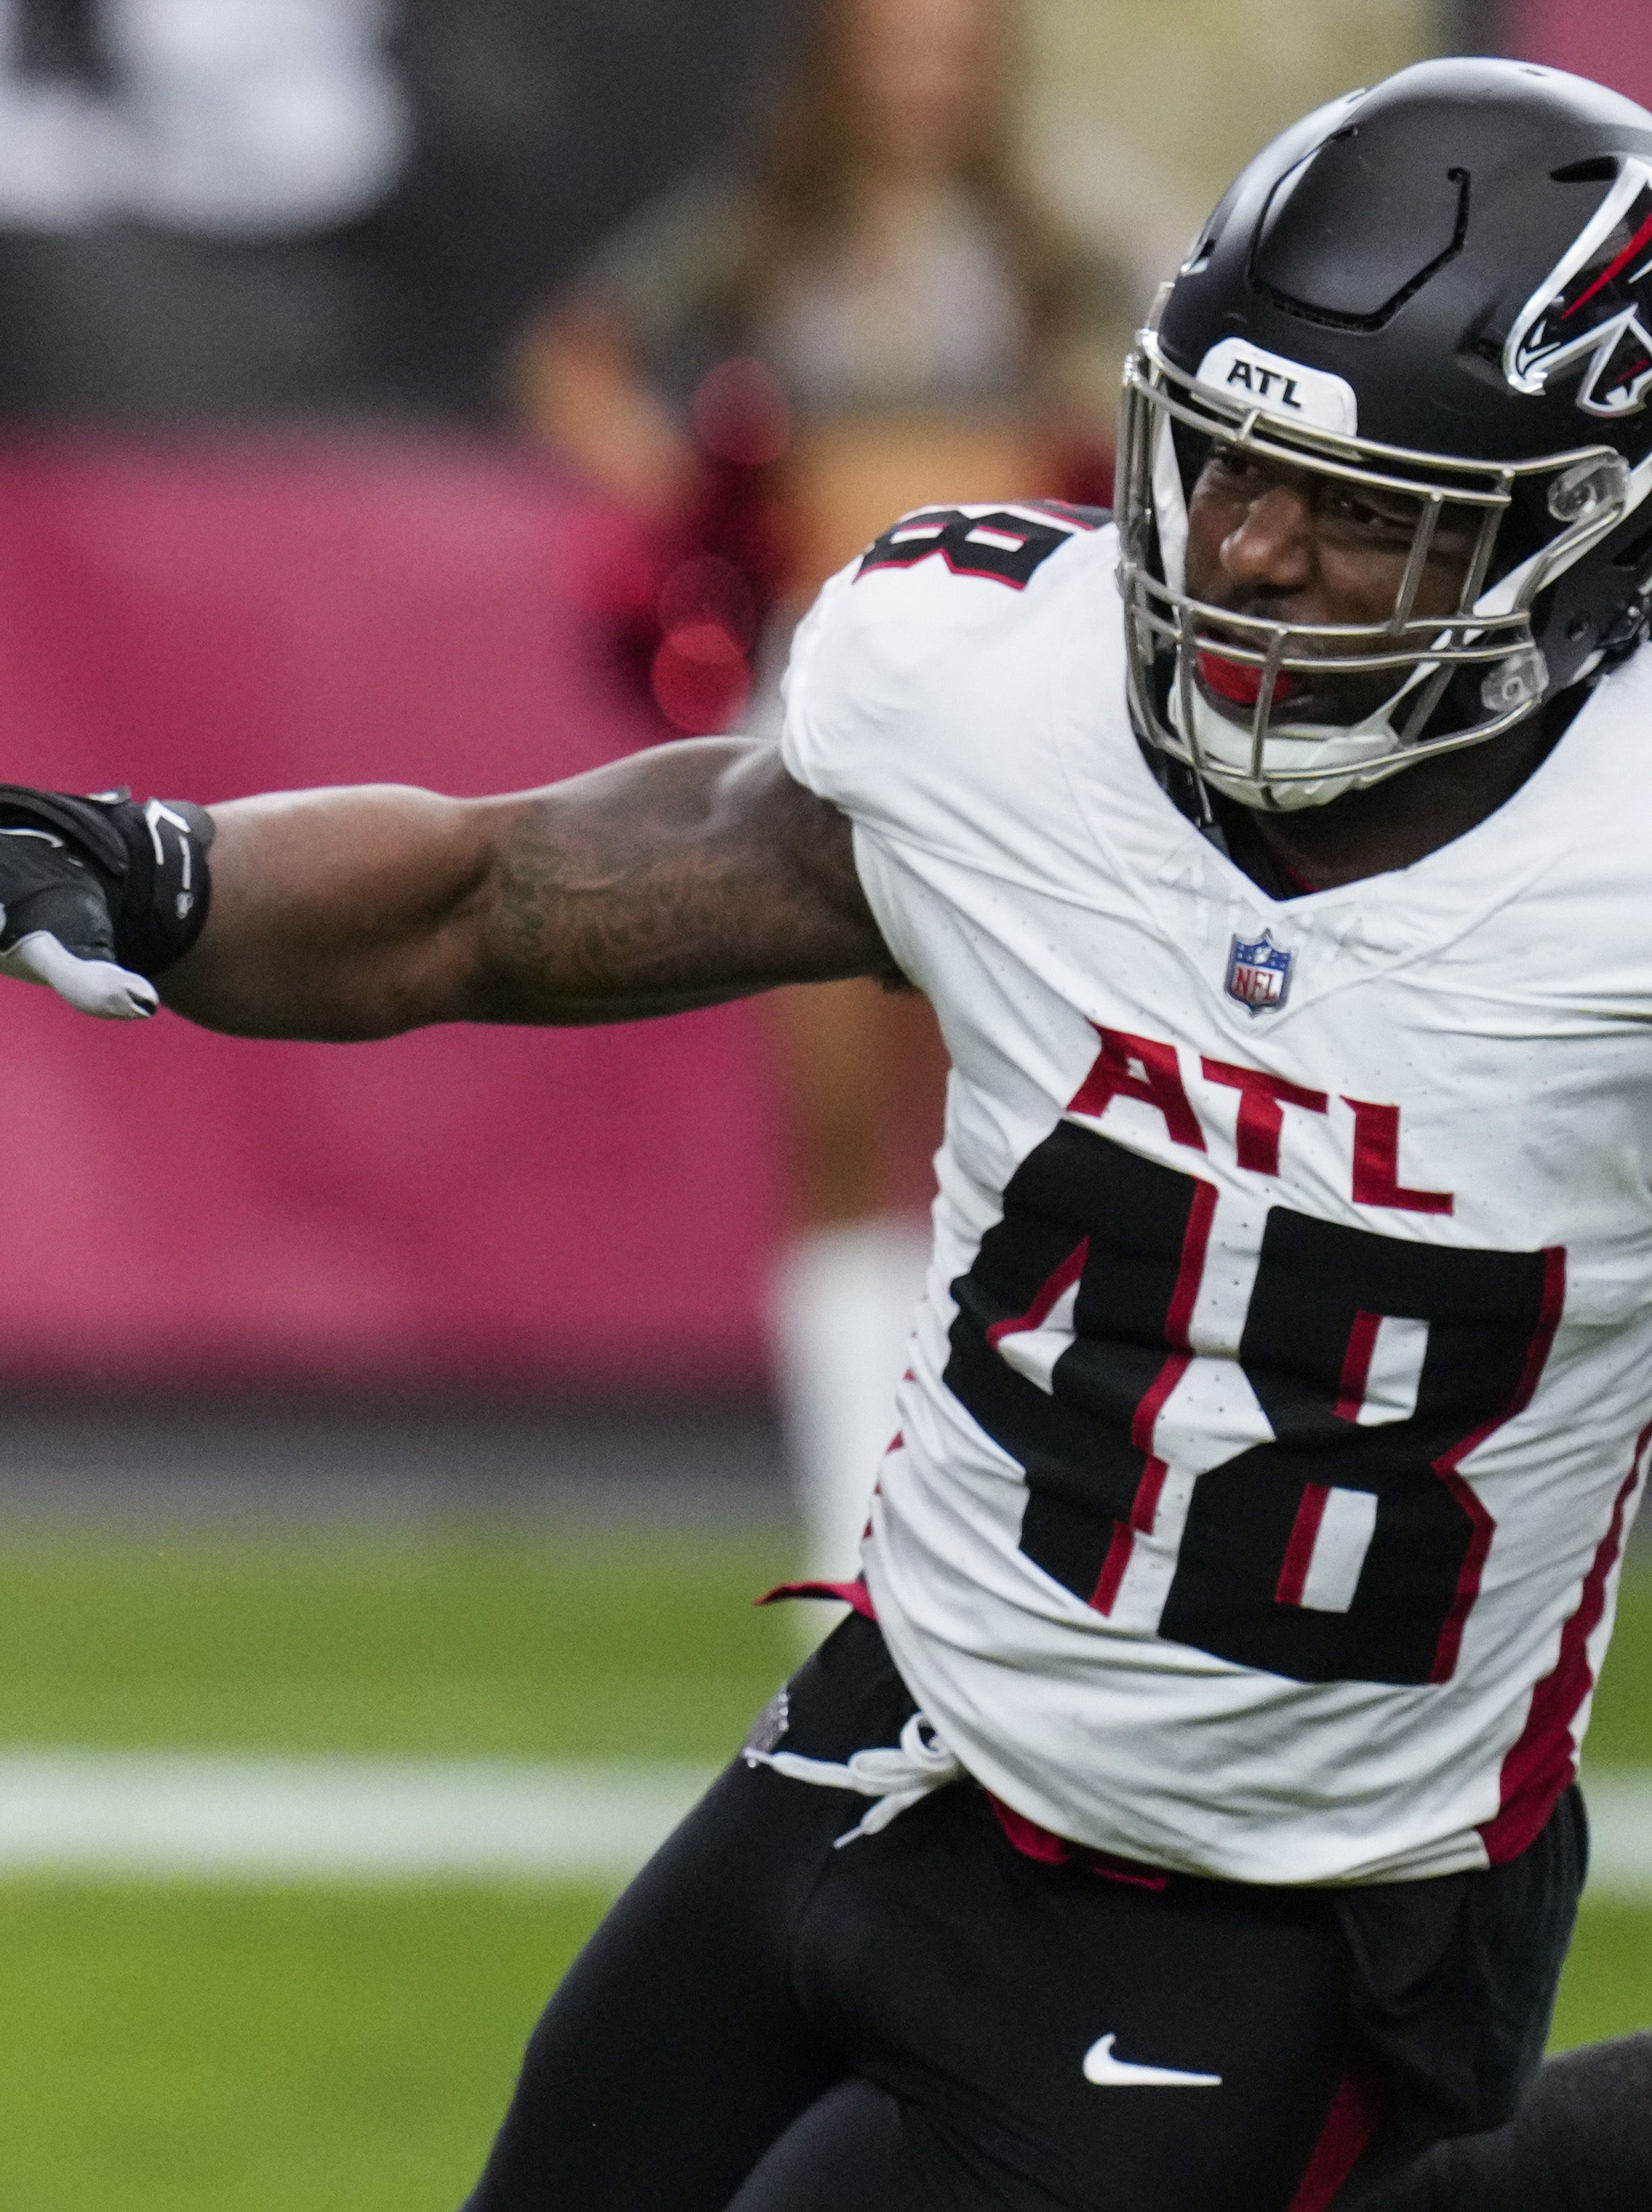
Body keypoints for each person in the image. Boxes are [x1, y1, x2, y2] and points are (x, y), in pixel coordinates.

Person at [0, 57, 1652, 2212]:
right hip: (892, 1738)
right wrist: (152, 879)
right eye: (1217, 461)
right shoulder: (1000, 691)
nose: (1236, 554)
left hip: (1285, 1909)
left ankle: (1483, 2157)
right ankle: (1563, 2193)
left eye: (1355, 516)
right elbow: (509, 892)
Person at [515, 0, 1135, 1607]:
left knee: (1005, 1096)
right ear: (843, 66)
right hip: (831, 678)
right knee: (837, 1114)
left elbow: (1147, 406)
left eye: (949, 50)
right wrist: (704, 521)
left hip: (1013, 687)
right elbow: (569, 357)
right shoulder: (762, 229)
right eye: (894, 49)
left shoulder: (1047, 235)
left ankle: (980, 1496)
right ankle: (841, 1512)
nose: (923, 77)